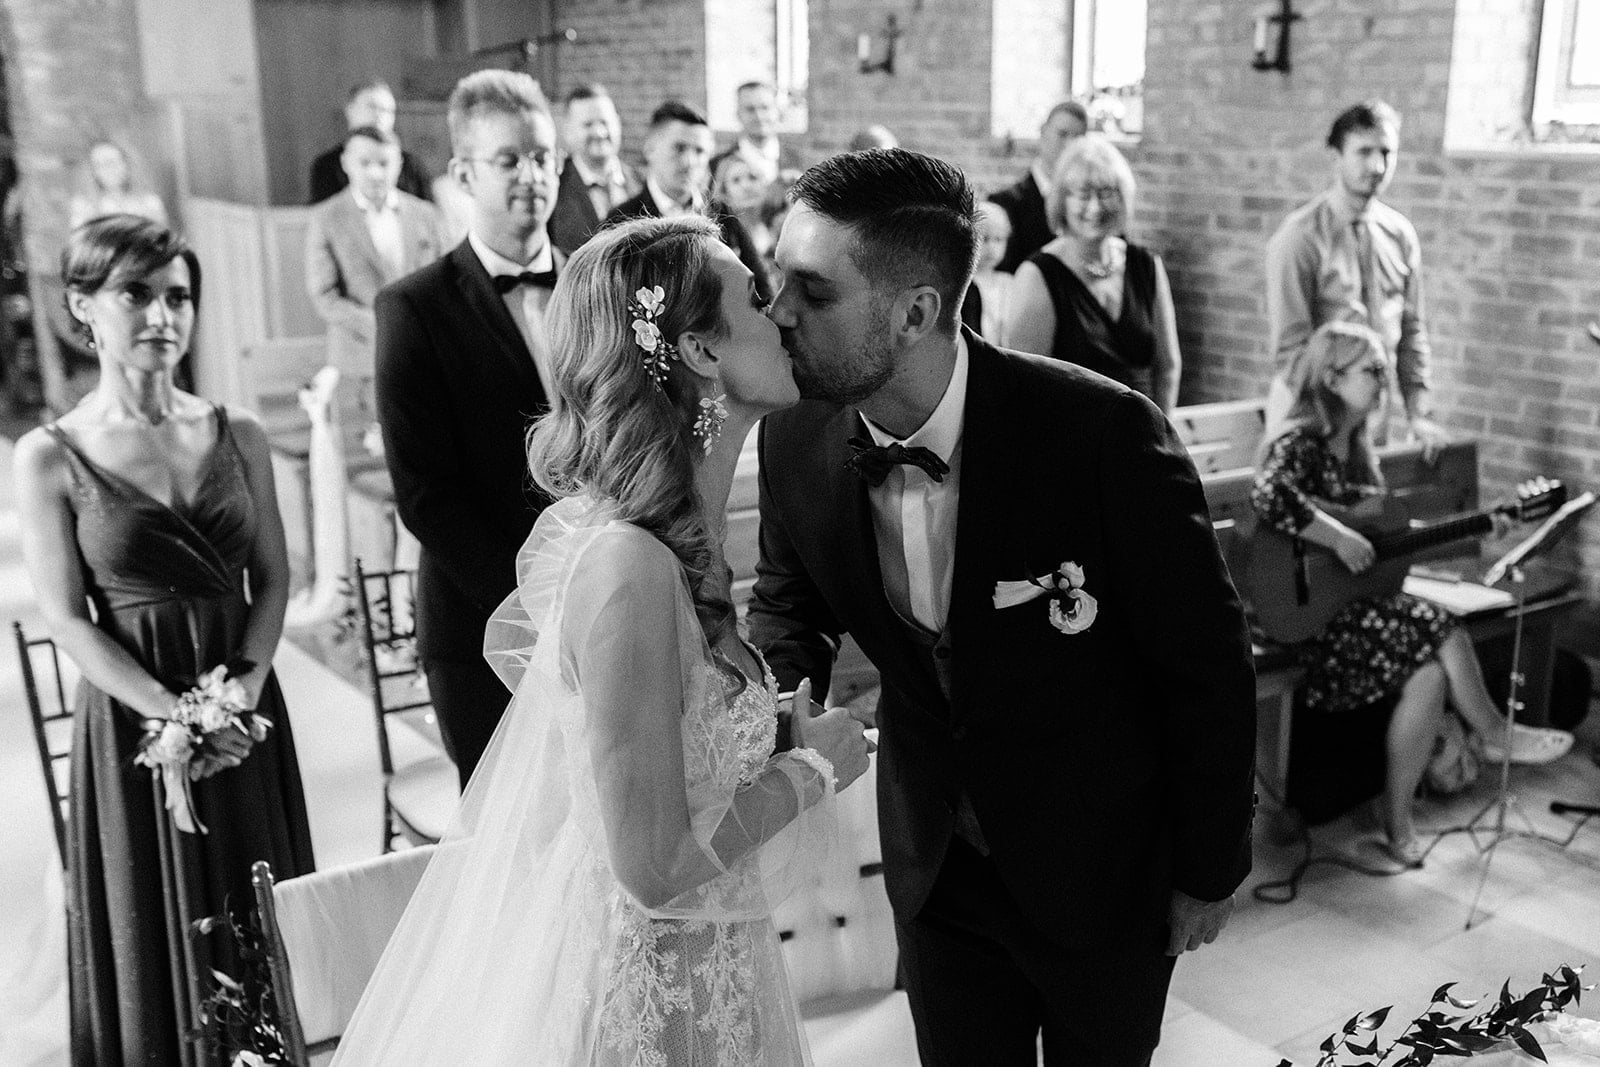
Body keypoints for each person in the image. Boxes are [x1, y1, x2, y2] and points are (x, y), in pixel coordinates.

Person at [752, 148, 1257, 1066]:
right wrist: (781, 706)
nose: (778, 310)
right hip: (936, 867)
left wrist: (1209, 866)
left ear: (916, 313)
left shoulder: (1103, 434)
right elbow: (790, 604)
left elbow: (1206, 662)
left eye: (812, 290)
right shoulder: (794, 436)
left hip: (1103, 867)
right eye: (778, 277)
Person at [335, 215, 871, 1064]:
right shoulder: (627, 566)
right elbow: (652, 864)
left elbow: (680, 768)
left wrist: (771, 738)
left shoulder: (681, 548)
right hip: (642, 1001)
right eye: (756, 298)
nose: (782, 315)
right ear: (699, 350)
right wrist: (811, 770)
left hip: (719, 974)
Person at [13, 214, 314, 1064]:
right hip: (134, 722)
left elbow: (274, 578)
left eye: (178, 297)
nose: (162, 315)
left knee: (261, 907)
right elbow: (67, 618)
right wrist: (176, 715)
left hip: (245, 710)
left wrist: (240, 692)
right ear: (84, 306)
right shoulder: (48, 455)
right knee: (157, 923)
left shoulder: (238, 431)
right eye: (136, 294)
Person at [1250, 321, 1573, 865]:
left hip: (1351, 611)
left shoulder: (1358, 450)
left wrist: (1484, 526)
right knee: (1440, 622)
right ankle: (1494, 730)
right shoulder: (1300, 442)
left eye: (1384, 370)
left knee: (1429, 677)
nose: (1384, 381)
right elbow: (1268, 494)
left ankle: (1397, 824)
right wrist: (1337, 537)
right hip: (1304, 620)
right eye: (1372, 370)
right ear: (1331, 378)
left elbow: (1380, 545)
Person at [376, 69, 564, 790]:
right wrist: (535, 608)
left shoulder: (595, 288)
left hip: (602, 607)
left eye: (542, 157)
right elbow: (425, 494)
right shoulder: (414, 308)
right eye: (508, 159)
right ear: (463, 175)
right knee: (509, 835)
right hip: (482, 624)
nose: (531, 176)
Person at [1265, 100, 1447, 455]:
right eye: (1364, 152)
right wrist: (1336, 426)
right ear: (1336, 157)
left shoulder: (1400, 235)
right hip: (1313, 417)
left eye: (1386, 153)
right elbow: (1291, 350)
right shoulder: (1300, 237)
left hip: (1373, 417)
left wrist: (1418, 413)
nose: (1377, 166)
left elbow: (1411, 333)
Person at [1007, 134, 1183, 412]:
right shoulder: (1038, 275)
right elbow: (1026, 388)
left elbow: (1168, 366)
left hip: (1144, 434)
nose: (1095, 207)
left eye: (1106, 193)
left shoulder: (1146, 265)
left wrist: (1162, 430)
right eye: (1083, 194)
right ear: (1063, 200)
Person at [304, 125, 445, 411]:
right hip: (360, 362)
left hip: (424, 356)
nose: (376, 173)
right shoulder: (326, 217)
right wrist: (383, 325)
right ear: (346, 163)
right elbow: (325, 296)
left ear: (399, 163)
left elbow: (443, 281)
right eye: (365, 163)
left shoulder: (425, 214)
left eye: (384, 163)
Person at [607, 101, 768, 289]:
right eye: (679, 148)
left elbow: (762, 290)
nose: (689, 162)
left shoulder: (723, 215)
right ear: (650, 149)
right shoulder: (622, 221)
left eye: (699, 151)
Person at [988, 100, 1086, 273]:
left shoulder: (1089, 205)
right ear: (1043, 131)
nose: (1069, 145)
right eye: (1062, 134)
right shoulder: (1006, 204)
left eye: (1077, 138)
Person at [548, 83, 642, 256]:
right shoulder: (554, 190)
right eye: (588, 124)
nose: (599, 133)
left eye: (605, 122)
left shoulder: (641, 183)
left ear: (618, 123)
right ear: (568, 131)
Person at [307, 80, 432, 204]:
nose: (379, 115)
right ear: (350, 110)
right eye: (372, 107)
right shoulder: (326, 166)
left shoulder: (413, 167)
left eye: (387, 110)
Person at [709, 80, 803, 186]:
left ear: (777, 111)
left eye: (765, 107)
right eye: (750, 109)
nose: (759, 116)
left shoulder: (803, 162)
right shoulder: (716, 166)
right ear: (738, 114)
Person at [67, 140, 168, 229]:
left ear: (126, 164)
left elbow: (160, 238)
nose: (107, 170)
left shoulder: (150, 202)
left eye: (111, 162)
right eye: (99, 165)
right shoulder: (83, 206)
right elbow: (81, 240)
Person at [965, 200, 1014, 346]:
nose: (992, 248)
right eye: (984, 239)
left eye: (998, 239)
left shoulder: (1009, 282)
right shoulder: (965, 283)